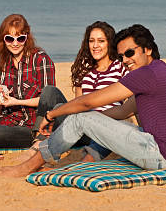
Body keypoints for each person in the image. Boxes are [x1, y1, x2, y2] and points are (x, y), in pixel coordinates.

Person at [0, 24, 166, 177]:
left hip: (165, 158)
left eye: (131, 53)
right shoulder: (161, 71)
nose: (125, 60)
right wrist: (93, 123)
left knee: (81, 117)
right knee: (85, 119)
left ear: (148, 50)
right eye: (122, 55)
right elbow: (123, 112)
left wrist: (53, 114)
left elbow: (88, 102)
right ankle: (76, 159)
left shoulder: (146, 74)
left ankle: (27, 167)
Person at [38, 21, 128, 161]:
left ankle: (87, 160)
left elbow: (134, 100)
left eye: (101, 41)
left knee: (108, 130)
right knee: (54, 97)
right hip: (81, 127)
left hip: (106, 125)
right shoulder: (85, 70)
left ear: (109, 43)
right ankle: (39, 141)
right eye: (91, 41)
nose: (95, 45)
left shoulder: (121, 67)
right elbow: (78, 104)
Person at [0, 14, 56, 148]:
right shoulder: (1, 66)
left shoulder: (40, 60)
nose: (15, 43)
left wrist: (16, 102)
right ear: (3, 40)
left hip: (32, 126)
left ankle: (36, 140)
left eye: (20, 38)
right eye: (10, 39)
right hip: (7, 120)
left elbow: (49, 99)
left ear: (27, 38)